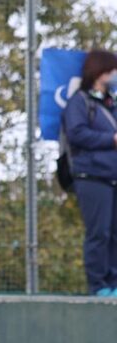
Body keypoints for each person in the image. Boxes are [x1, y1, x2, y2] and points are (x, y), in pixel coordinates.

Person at [61, 48, 117, 296]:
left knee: (114, 234)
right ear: (99, 71)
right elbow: (77, 134)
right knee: (99, 233)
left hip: (113, 176)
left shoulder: (112, 102)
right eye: (112, 70)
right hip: (92, 176)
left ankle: (114, 283)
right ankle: (99, 286)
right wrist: (111, 140)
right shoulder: (79, 101)